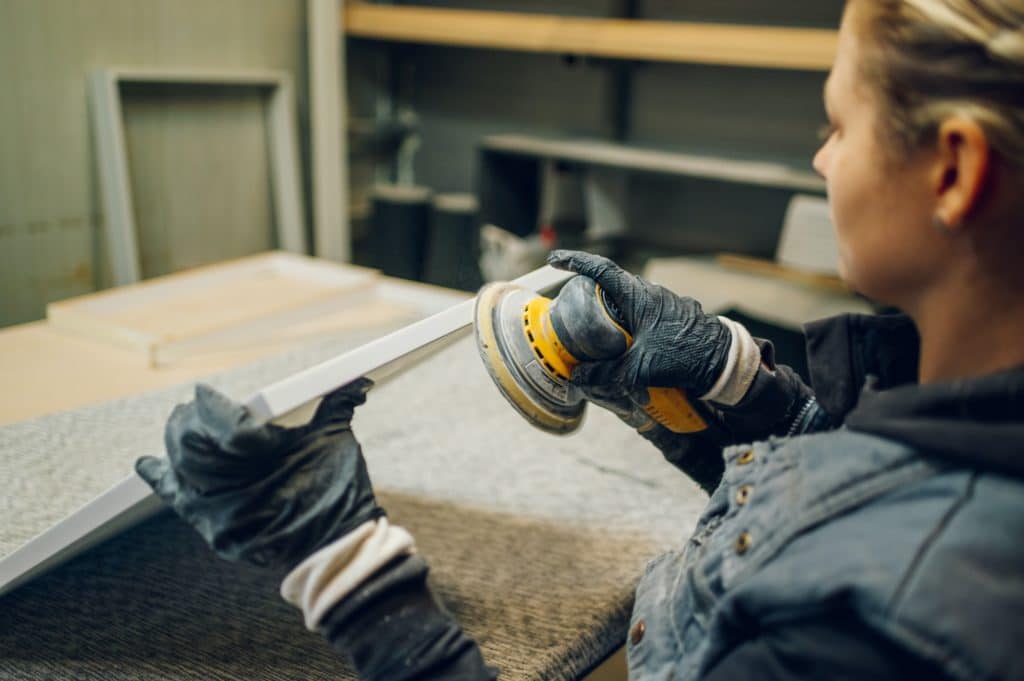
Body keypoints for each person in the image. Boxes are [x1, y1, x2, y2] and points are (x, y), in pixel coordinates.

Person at [135, 1, 1024, 679]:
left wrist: (340, 565)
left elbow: (864, 562)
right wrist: (745, 393)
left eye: (837, 124)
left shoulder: (884, 630)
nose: (823, 158)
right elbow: (866, 507)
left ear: (952, 169)